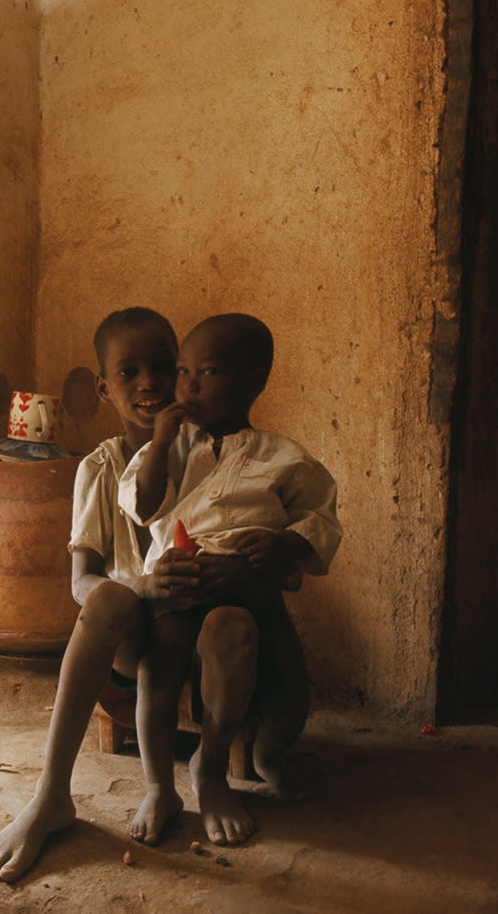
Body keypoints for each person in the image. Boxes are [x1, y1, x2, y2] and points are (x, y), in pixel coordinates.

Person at [0, 306, 214, 882]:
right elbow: (80, 583)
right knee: (110, 597)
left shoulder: (207, 455)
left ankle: (171, 787)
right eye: (129, 372)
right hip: (130, 643)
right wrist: (141, 584)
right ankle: (51, 795)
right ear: (101, 385)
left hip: (200, 634)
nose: (150, 383)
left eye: (164, 367)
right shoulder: (100, 468)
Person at [117, 312, 342, 848]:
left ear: (254, 380)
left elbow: (321, 520)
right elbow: (143, 506)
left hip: (247, 592)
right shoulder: (170, 451)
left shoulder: (283, 457)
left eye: (209, 372)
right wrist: (159, 437)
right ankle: (156, 785)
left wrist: (283, 544)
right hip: (176, 587)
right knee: (160, 664)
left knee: (262, 657)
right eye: (184, 372)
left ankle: (225, 766)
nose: (189, 386)